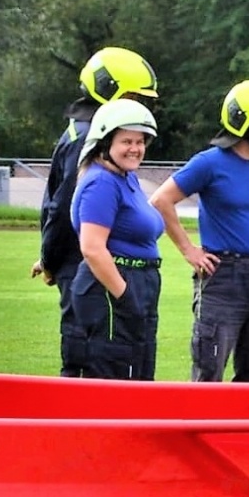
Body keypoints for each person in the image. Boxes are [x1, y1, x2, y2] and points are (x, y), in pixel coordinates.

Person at [31, 47, 160, 376]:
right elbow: (63, 208)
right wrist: (50, 259)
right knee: (89, 363)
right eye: (132, 96)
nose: (137, 105)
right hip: (89, 266)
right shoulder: (93, 138)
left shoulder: (86, 133)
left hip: (94, 263)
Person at [151, 80, 249, 382]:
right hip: (222, 276)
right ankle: (202, 416)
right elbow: (161, 200)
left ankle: (248, 417)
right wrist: (189, 251)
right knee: (209, 370)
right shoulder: (209, 163)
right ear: (243, 122)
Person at [65, 98, 163, 380]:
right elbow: (92, 248)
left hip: (139, 281)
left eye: (140, 141)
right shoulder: (102, 182)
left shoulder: (126, 177)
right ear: (106, 142)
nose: (135, 148)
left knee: (139, 372)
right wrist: (125, 295)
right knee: (115, 374)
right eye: (126, 141)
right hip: (111, 287)